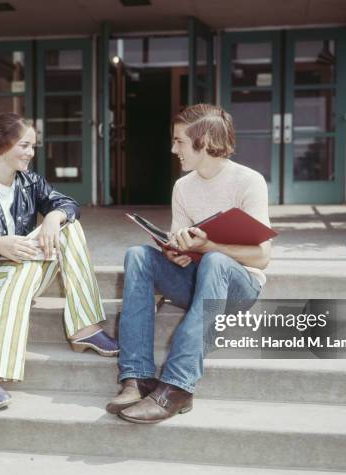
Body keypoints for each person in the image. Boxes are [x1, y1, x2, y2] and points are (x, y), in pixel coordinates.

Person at [107, 104, 271, 424]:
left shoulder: (249, 181)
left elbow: (262, 257)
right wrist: (175, 253)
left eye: (179, 141)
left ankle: (178, 386)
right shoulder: (183, 186)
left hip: (237, 286)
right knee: (138, 255)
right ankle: (138, 376)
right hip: (197, 280)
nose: (173, 149)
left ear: (205, 140)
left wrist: (209, 246)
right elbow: (179, 241)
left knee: (216, 260)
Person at [0, 112, 118, 411]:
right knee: (24, 267)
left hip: (21, 272)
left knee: (69, 227)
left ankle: (84, 327)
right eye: (25, 145)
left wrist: (54, 216)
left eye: (33, 146)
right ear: (1, 147)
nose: (31, 153)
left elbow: (67, 204)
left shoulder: (29, 182)